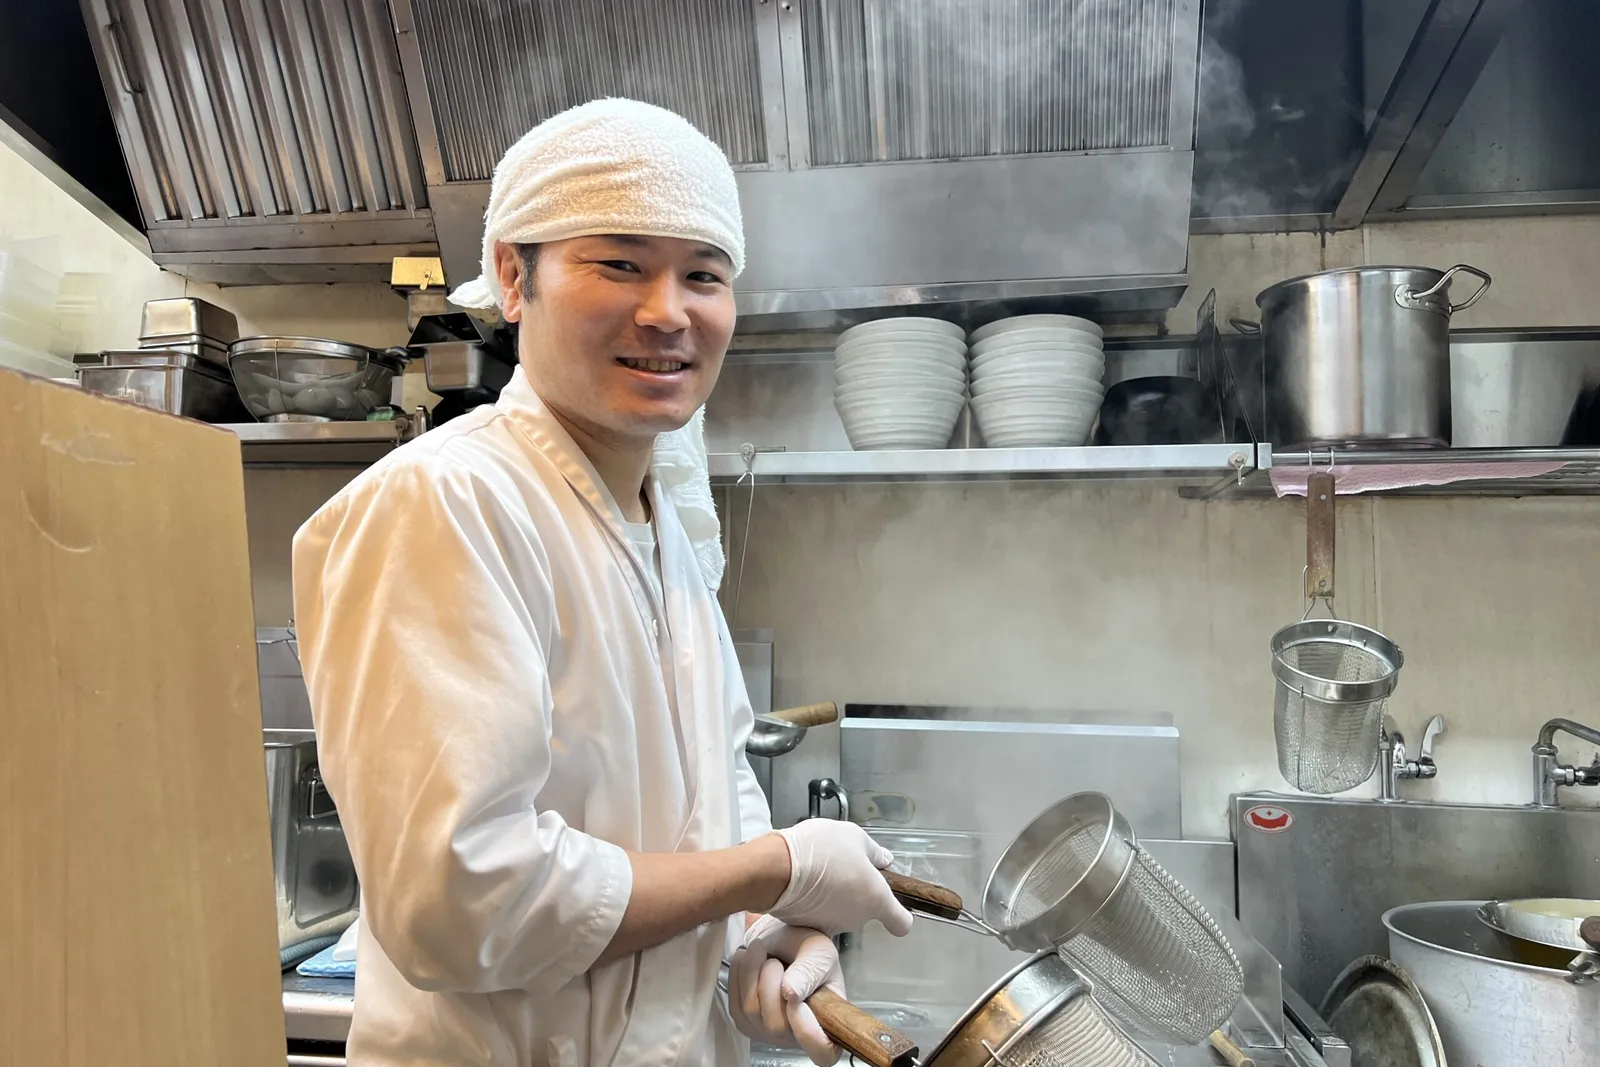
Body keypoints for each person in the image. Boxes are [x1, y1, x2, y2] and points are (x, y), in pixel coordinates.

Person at [290, 97, 914, 1067]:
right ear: (512, 273)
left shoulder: (656, 531)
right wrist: (779, 867)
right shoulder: (444, 504)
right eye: (619, 262)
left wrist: (763, 931)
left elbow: (713, 796)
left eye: (702, 275)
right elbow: (458, 900)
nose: (667, 311)